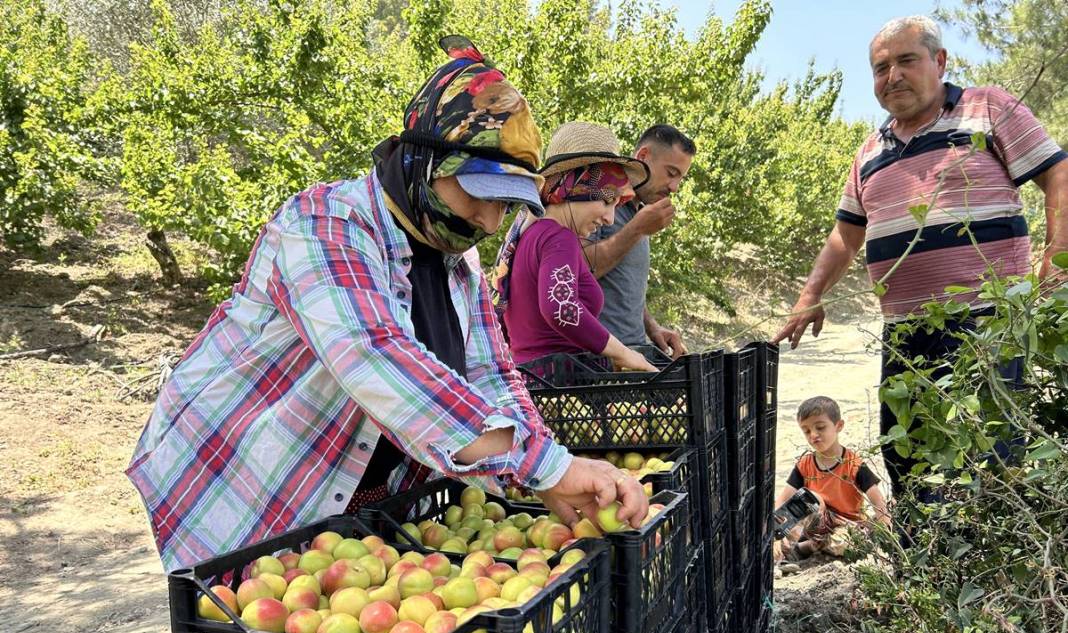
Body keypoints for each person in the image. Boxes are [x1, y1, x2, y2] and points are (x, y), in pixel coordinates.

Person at [126, 38, 648, 571]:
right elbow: (377, 357)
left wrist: (540, 473)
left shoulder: (455, 263)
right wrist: (547, 466)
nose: (491, 223)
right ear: (424, 162)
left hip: (364, 488)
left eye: (505, 205)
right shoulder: (326, 225)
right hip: (252, 484)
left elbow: (491, 374)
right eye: (480, 195)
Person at [774, 15, 1068, 501]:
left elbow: (1058, 176)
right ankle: (920, 567)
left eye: (906, 60)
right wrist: (810, 294)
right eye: (880, 68)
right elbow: (847, 235)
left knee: (992, 450)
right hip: (906, 330)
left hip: (987, 321)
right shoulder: (870, 150)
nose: (892, 76)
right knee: (907, 452)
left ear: (940, 61)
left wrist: (1056, 254)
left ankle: (989, 568)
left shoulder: (987, 108)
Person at [494, 121, 658, 371]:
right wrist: (623, 354)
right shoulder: (559, 238)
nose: (609, 218)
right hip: (558, 386)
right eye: (606, 202)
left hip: (532, 381)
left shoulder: (528, 235)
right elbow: (561, 307)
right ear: (575, 188)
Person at [582, 124, 696, 358]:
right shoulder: (599, 197)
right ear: (642, 156)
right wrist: (637, 229)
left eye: (680, 179)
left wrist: (652, 327)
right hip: (596, 363)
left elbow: (621, 282)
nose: (674, 187)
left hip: (633, 353)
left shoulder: (639, 212)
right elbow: (576, 271)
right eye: (671, 173)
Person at [774, 396, 891, 562]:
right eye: (806, 431)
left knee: (851, 545)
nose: (813, 435)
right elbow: (782, 502)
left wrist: (886, 533)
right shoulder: (804, 464)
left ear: (839, 426)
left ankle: (807, 547)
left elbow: (878, 502)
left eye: (820, 428)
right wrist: (777, 534)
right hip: (814, 523)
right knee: (808, 498)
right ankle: (794, 546)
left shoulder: (854, 464)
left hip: (846, 526)